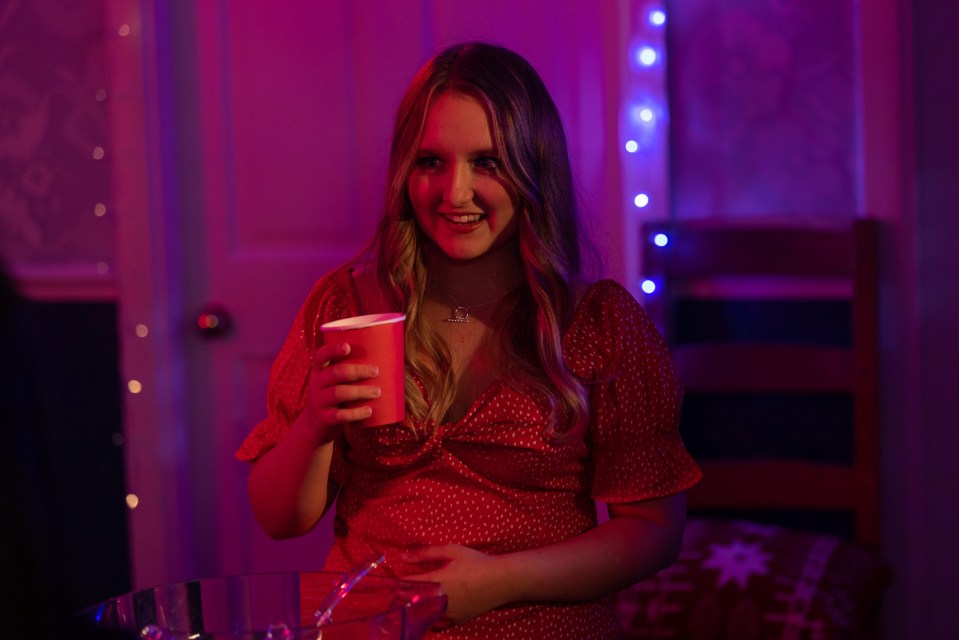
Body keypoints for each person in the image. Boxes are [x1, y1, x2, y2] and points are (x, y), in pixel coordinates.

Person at [236, 41, 701, 638]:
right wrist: (314, 426)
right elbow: (279, 520)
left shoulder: (596, 323)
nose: (455, 193)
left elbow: (654, 532)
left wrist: (500, 581)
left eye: (487, 162)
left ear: (534, 167)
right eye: (431, 161)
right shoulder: (346, 303)